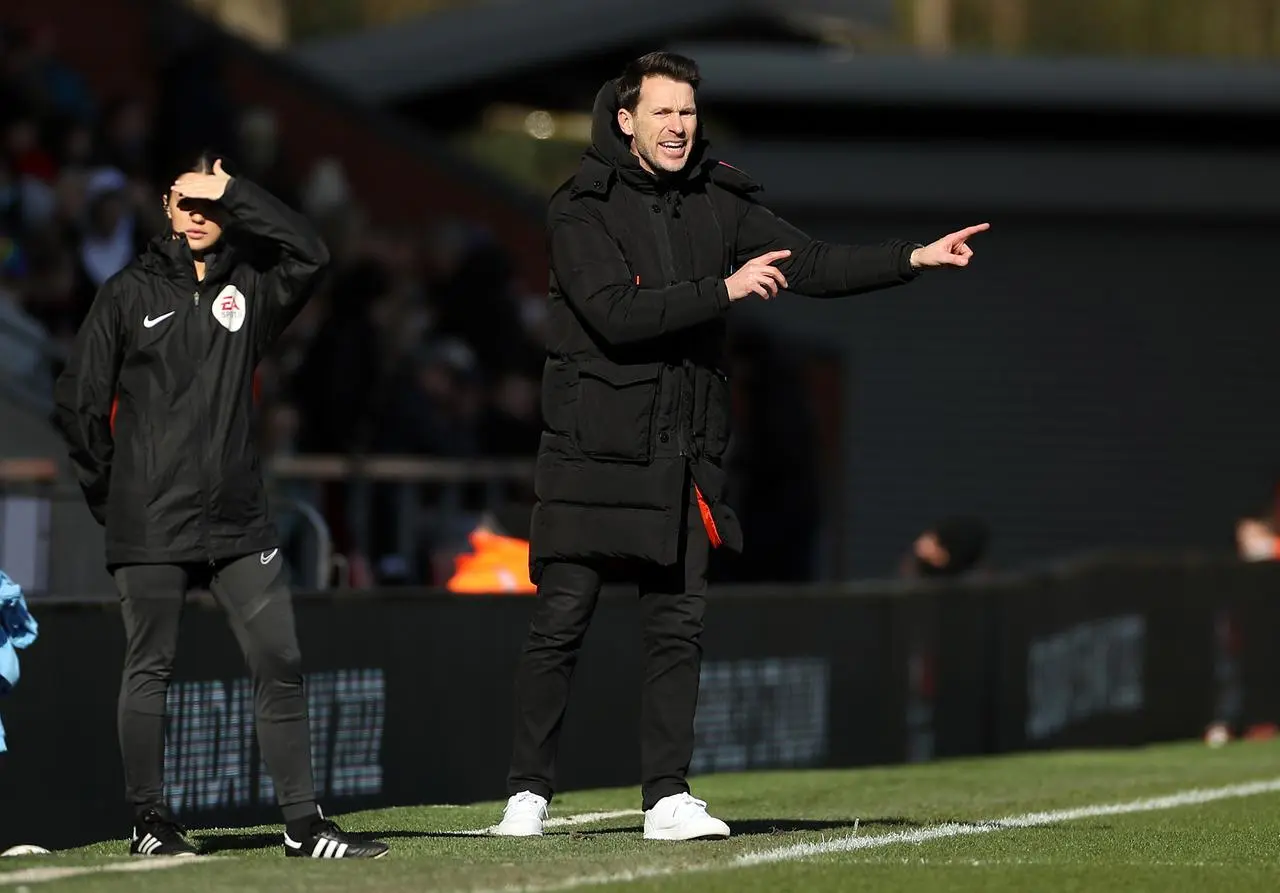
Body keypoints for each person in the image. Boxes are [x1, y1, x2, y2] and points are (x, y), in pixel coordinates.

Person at [494, 51, 989, 841]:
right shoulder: (579, 206)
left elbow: (813, 264)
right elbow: (615, 314)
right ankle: (527, 793)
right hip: (592, 450)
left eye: (687, 112)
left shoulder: (718, 198)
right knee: (561, 621)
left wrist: (912, 258)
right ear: (626, 120)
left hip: (683, 451)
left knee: (678, 627)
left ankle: (668, 796)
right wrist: (723, 290)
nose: (678, 127)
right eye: (662, 112)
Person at [52, 151, 388, 859]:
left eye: (213, 204)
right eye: (188, 201)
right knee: (150, 667)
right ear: (166, 210)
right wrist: (110, 495)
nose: (201, 215)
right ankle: (150, 822)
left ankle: (303, 825)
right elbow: (78, 401)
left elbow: (313, 251)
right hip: (151, 518)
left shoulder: (252, 291)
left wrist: (235, 186)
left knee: (281, 659)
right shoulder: (126, 293)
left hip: (239, 517)